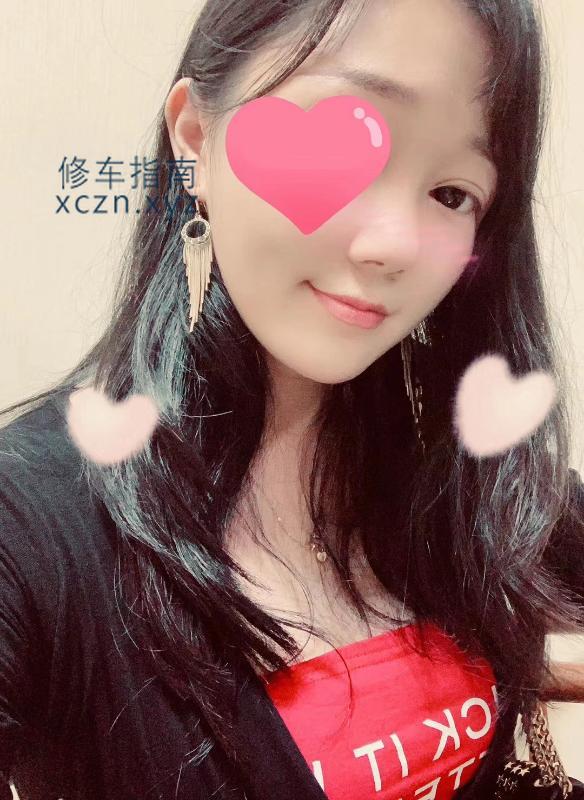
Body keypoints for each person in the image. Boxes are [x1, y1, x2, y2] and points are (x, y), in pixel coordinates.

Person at [0, 0, 583, 798]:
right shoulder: (32, 524)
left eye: (451, 194)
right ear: (196, 138)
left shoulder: (453, 462)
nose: (392, 246)